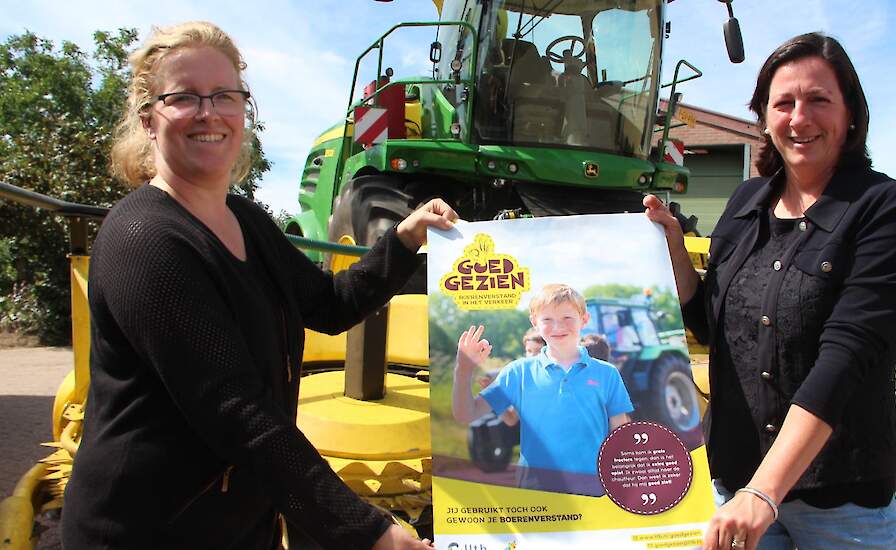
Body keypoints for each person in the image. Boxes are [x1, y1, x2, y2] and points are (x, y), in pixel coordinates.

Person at [61, 21, 455, 550]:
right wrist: (372, 531)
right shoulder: (145, 239)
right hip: (147, 530)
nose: (209, 113)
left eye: (224, 96)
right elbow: (238, 414)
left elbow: (331, 305)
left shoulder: (245, 220)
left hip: (238, 522)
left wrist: (404, 240)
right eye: (185, 97)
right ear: (149, 118)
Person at [645, 33, 896, 550]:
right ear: (764, 116)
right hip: (735, 486)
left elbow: (848, 356)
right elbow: (711, 324)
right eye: (784, 103)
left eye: (818, 100)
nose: (800, 119)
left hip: (841, 499)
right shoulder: (747, 201)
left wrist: (765, 492)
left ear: (851, 114)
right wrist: (673, 249)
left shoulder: (887, 210)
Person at [451, 284, 633, 482]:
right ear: (534, 323)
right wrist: (464, 370)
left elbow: (620, 431)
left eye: (567, 318)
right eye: (547, 319)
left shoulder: (607, 373)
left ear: (584, 319)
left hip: (595, 487)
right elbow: (465, 414)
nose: (558, 326)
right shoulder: (517, 372)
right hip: (536, 490)